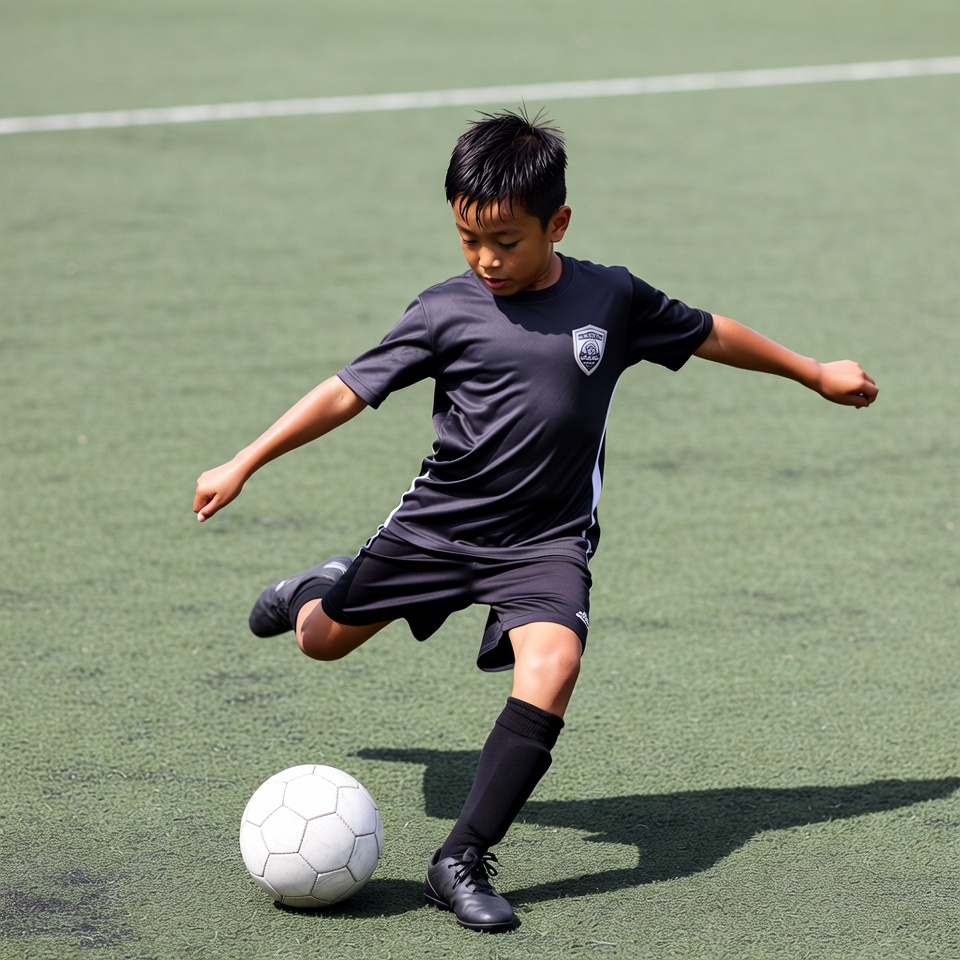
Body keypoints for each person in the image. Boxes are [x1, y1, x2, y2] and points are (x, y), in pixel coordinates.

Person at [193, 110, 877, 932]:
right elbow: (347, 390)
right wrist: (244, 460)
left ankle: (460, 858)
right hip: (437, 529)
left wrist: (813, 372)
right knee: (320, 641)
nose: (486, 260)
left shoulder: (611, 298)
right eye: (467, 239)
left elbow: (709, 333)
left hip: (544, 543)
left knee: (553, 664)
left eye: (507, 242)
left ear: (558, 224)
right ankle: (320, 585)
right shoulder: (445, 310)